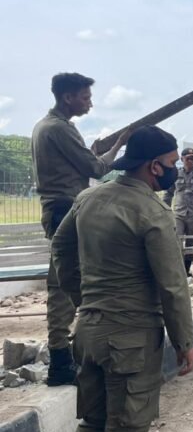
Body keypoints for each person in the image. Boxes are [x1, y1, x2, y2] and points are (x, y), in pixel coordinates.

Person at [51, 125, 193, 432]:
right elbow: (173, 285)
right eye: (172, 162)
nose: (176, 169)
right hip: (130, 340)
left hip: (88, 331)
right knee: (124, 431)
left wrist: (82, 300)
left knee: (94, 423)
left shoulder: (89, 199)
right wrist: (185, 343)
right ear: (154, 167)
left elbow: (60, 248)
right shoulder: (152, 212)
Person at [31, 72, 128, 386]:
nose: (89, 103)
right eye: (85, 97)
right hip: (64, 211)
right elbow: (97, 169)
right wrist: (119, 146)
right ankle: (60, 362)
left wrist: (95, 150)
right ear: (68, 97)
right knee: (62, 284)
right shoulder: (59, 128)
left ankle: (73, 351)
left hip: (60, 209)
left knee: (74, 280)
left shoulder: (47, 127)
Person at [163, 147, 193, 277]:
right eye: (189, 158)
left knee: (192, 243)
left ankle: (186, 270)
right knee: (176, 241)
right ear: (182, 159)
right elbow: (168, 193)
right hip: (179, 214)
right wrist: (165, 209)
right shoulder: (175, 174)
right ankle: (178, 270)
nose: (191, 161)